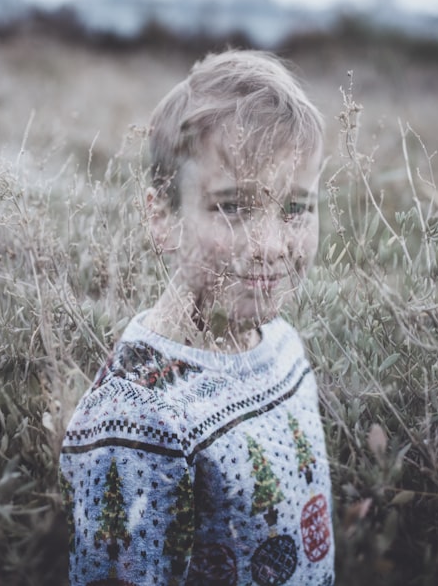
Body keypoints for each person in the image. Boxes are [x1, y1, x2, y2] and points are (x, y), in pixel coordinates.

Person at [59, 50, 334, 585]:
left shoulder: (280, 343)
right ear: (162, 217)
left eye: (296, 208)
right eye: (232, 207)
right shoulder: (138, 418)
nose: (271, 245)